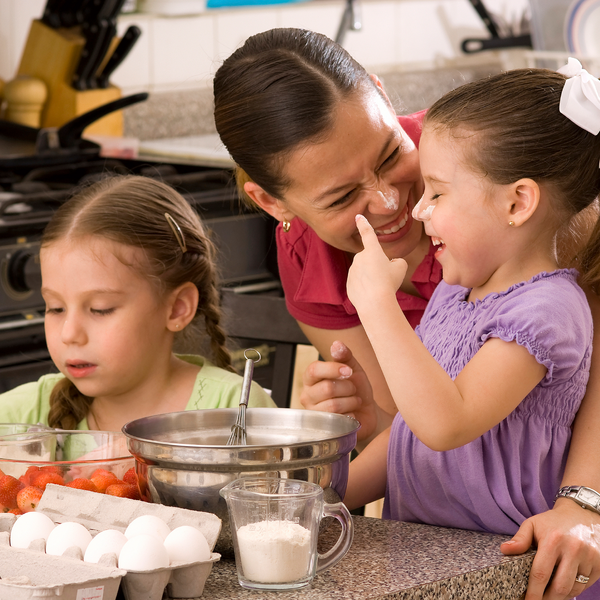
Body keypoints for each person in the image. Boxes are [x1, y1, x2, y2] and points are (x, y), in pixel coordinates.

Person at [214, 29, 600, 600]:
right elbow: (413, 427)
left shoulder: (508, 179)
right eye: (341, 197)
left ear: (381, 94)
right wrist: (318, 490)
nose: (399, 205)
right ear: (273, 204)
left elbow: (446, 422)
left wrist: (585, 503)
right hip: (429, 548)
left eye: (392, 155)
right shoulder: (457, 281)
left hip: (521, 553)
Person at [344, 64, 600, 598]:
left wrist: (377, 306)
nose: (418, 211)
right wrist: (328, 495)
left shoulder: (549, 310)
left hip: (506, 574)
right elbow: (411, 431)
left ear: (517, 202)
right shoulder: (456, 292)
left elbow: (445, 422)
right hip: (428, 560)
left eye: (437, 193)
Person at [0, 175, 275, 432]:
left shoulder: (234, 409)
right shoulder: (21, 414)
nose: (69, 334)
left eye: (101, 309)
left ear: (177, 307)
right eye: (55, 308)